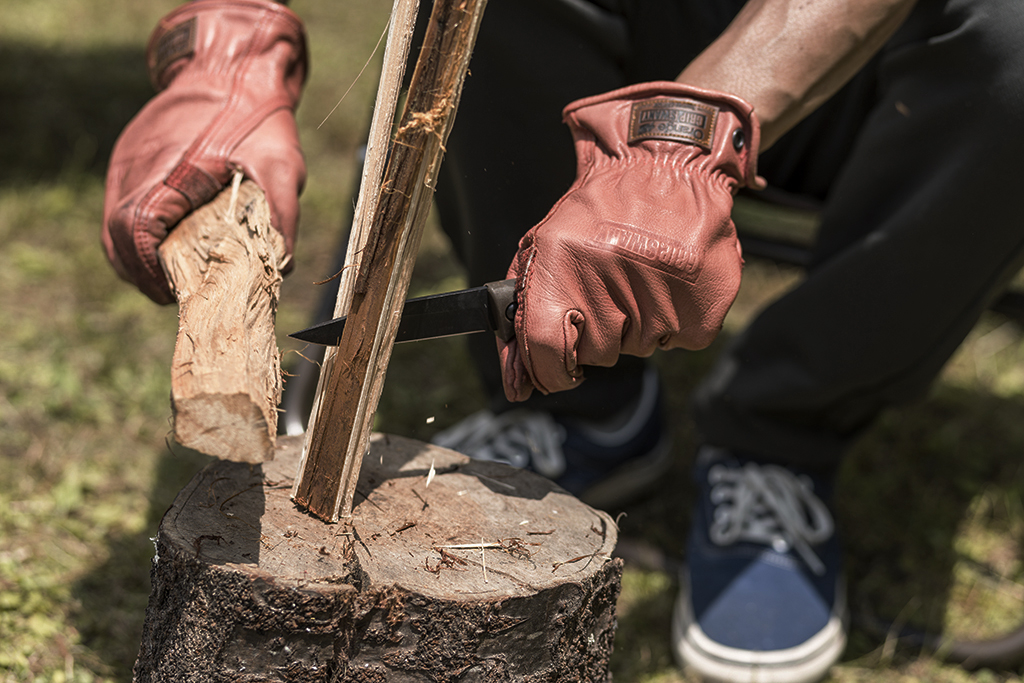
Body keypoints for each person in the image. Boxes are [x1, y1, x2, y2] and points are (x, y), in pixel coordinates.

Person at [101, 0, 1024, 681]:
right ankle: (586, 410)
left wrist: (682, 137)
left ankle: (783, 436)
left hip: (885, 62)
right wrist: (226, 51)